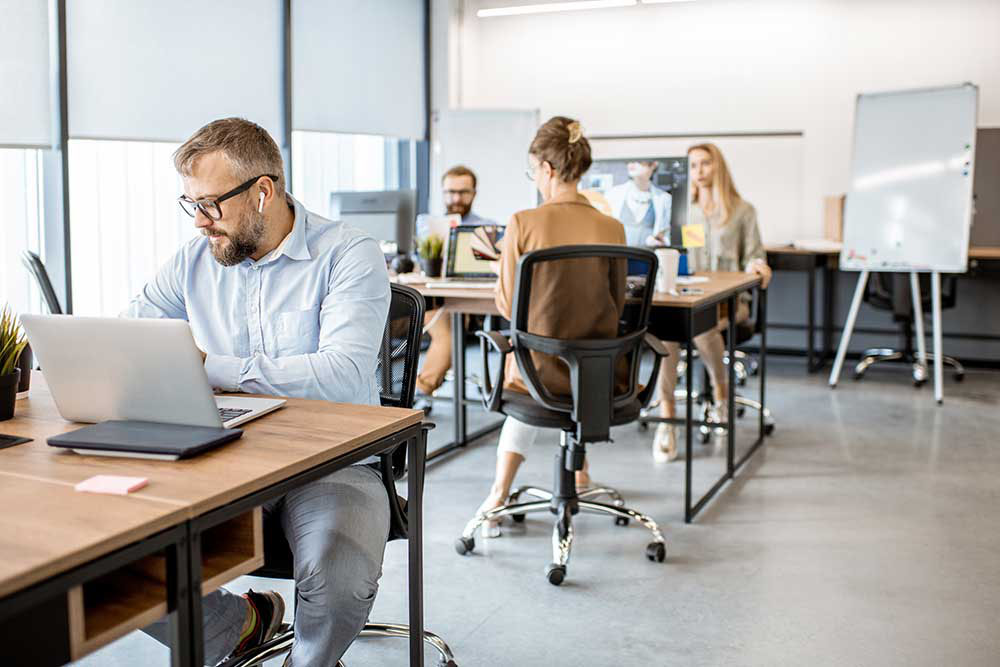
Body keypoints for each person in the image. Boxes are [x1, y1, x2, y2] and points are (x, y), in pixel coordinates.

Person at [125, 118, 391, 666]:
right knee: (114, 556)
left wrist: (209, 367)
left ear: (263, 192)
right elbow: (132, 336)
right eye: (190, 203)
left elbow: (341, 375)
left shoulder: (348, 254)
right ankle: (237, 625)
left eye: (211, 204)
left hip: (334, 461)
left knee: (336, 579)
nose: (199, 222)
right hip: (224, 454)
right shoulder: (194, 260)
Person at [476, 116, 627, 537]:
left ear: (546, 168)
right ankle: (579, 477)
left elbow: (507, 304)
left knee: (528, 360)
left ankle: (499, 494)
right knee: (570, 358)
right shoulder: (612, 227)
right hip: (598, 376)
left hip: (539, 374)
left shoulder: (523, 222)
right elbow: (617, 306)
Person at [650, 143, 772, 463]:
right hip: (691, 295)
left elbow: (755, 254)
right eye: (692, 166)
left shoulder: (742, 211)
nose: (699, 171)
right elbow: (675, 252)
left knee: (703, 330)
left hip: (730, 301)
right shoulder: (683, 211)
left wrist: (758, 265)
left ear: (718, 167)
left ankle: (721, 396)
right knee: (666, 333)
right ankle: (668, 419)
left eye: (705, 164)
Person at [413, 165, 498, 401]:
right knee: (443, 329)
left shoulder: (487, 226)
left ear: (474, 193)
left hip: (468, 299)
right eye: (450, 192)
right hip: (433, 298)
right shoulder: (428, 225)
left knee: (447, 334)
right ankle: (416, 391)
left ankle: (420, 391)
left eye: (463, 192)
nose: (456, 198)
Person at [605, 160, 672, 247]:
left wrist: (659, 242)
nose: (632, 163)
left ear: (654, 164)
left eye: (639, 160)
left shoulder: (664, 199)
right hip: (620, 257)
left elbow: (667, 237)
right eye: (629, 160)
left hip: (648, 257)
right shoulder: (613, 194)